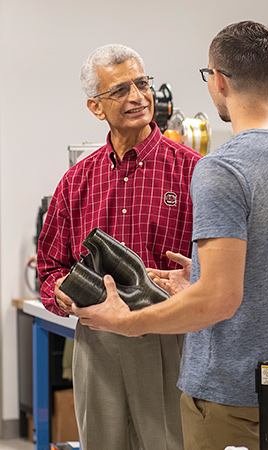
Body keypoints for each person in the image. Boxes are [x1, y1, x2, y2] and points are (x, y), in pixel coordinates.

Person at [71, 22, 268, 450]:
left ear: (219, 80)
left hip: (224, 392)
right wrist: (204, 276)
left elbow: (218, 301)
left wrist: (128, 322)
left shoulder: (220, 168)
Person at [37, 44, 202, 450]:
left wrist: (195, 278)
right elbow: (49, 267)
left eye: (141, 83)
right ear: (96, 107)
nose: (137, 97)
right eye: (120, 90)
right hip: (98, 345)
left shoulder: (194, 172)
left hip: (169, 336)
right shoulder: (76, 181)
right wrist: (64, 295)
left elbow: (225, 268)